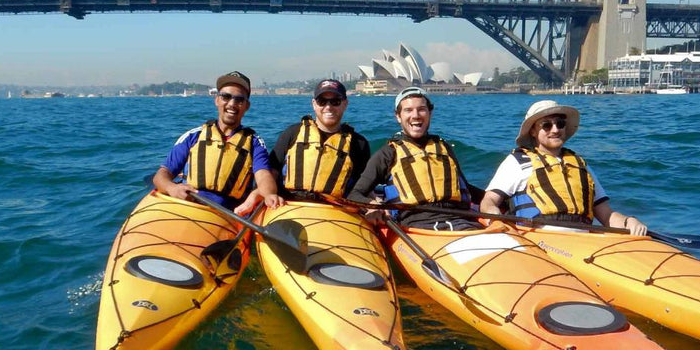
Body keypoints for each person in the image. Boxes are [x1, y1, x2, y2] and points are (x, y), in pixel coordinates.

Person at [480, 100, 648, 235]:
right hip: (539, 238)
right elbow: (489, 201)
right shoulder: (517, 162)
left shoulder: (580, 165)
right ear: (532, 131)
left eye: (560, 124)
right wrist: (495, 218)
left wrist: (629, 222)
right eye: (546, 125)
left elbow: (605, 214)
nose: (555, 129)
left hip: (583, 240)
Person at [349, 86, 482, 230]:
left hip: (461, 220)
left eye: (421, 109)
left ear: (430, 113)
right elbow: (355, 194)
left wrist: (496, 198)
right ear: (398, 116)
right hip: (416, 226)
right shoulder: (388, 153)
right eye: (408, 110)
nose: (416, 115)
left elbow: (464, 187)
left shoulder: (444, 147)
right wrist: (372, 205)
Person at [234, 79, 371, 214]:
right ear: (314, 104)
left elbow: (363, 187)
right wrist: (255, 196)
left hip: (334, 211)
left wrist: (372, 208)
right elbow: (270, 175)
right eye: (322, 101)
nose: (328, 107)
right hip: (290, 205)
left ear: (345, 104)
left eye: (335, 101)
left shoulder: (358, 144)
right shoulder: (293, 133)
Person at [152, 71, 281, 210]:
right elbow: (161, 175)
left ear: (246, 106)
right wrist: (171, 188)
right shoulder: (193, 136)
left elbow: (263, 177)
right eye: (226, 96)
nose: (232, 104)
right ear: (217, 100)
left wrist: (268, 194)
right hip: (189, 206)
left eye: (239, 99)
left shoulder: (254, 143)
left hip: (228, 214)